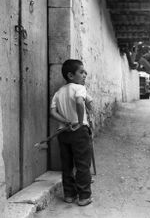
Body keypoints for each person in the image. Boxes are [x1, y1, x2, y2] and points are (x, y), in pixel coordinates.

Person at [50, 59, 93, 206]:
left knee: (67, 164)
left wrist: (64, 120)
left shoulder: (58, 92)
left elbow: (52, 112)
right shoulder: (79, 87)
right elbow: (81, 102)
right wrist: (80, 122)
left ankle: (69, 195)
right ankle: (84, 196)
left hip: (63, 132)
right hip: (79, 131)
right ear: (70, 75)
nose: (85, 74)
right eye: (81, 72)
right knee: (82, 164)